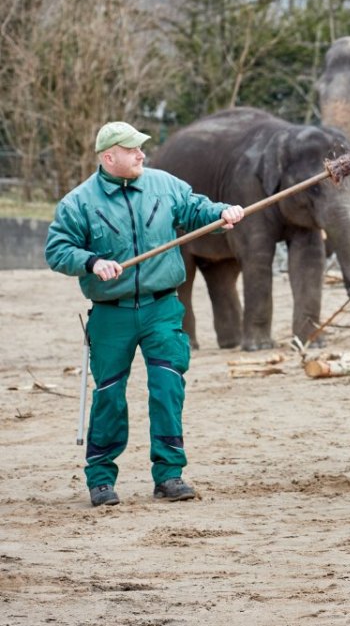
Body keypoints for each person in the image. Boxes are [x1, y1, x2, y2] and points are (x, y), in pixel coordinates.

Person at [45, 121, 245, 507]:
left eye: (141, 148)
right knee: (109, 397)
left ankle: (169, 476)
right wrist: (91, 262)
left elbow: (197, 210)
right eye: (132, 149)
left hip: (163, 309)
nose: (141, 154)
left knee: (168, 388)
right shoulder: (78, 203)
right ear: (109, 157)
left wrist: (224, 213)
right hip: (110, 315)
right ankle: (101, 480)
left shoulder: (165, 185)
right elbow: (57, 250)